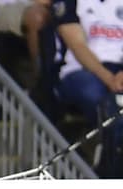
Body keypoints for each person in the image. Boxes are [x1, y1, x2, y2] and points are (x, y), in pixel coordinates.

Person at [52, 1, 123, 176]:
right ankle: (107, 173)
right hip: (82, 71)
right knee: (99, 100)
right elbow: (77, 45)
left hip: (119, 72)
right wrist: (109, 78)